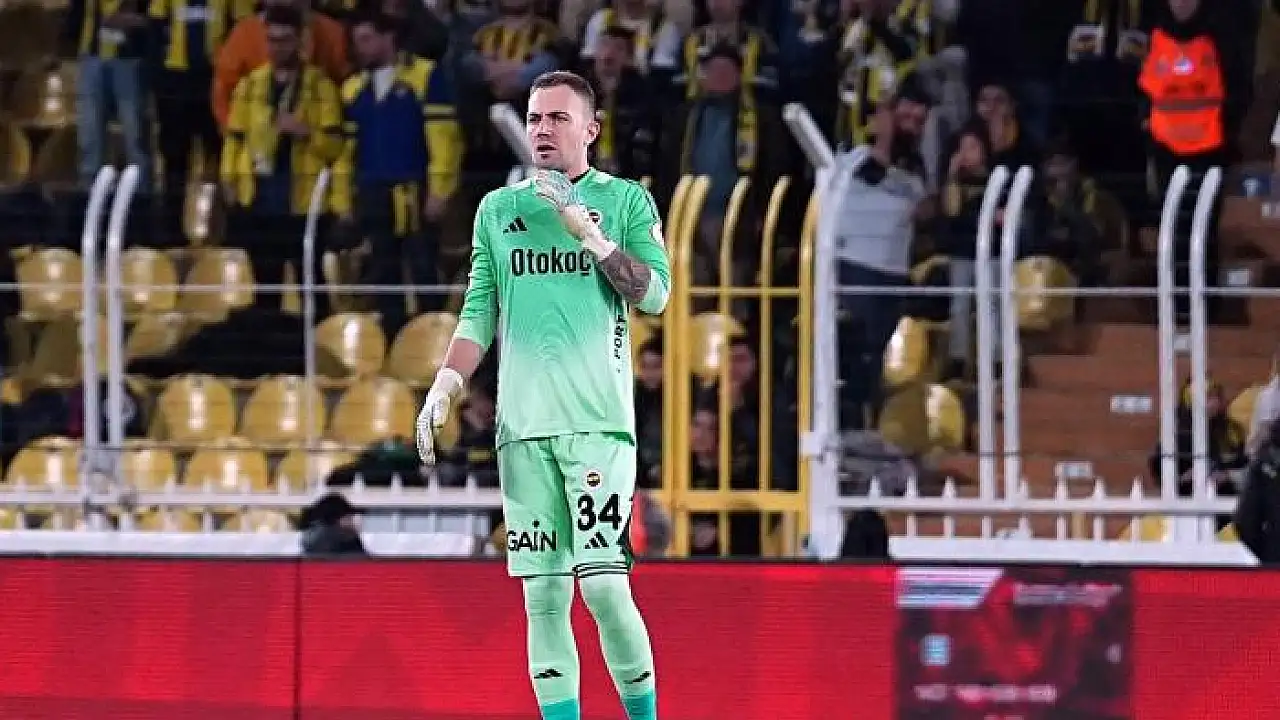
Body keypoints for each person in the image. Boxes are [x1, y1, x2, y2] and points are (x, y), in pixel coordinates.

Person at [415, 71, 669, 720]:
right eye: (534, 118)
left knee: (604, 589)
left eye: (558, 118)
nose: (542, 129)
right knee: (544, 599)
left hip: (598, 428)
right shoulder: (498, 212)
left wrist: (593, 239)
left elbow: (655, 295)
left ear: (591, 129)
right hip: (522, 433)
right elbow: (479, 310)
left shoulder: (626, 202)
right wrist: (447, 383)